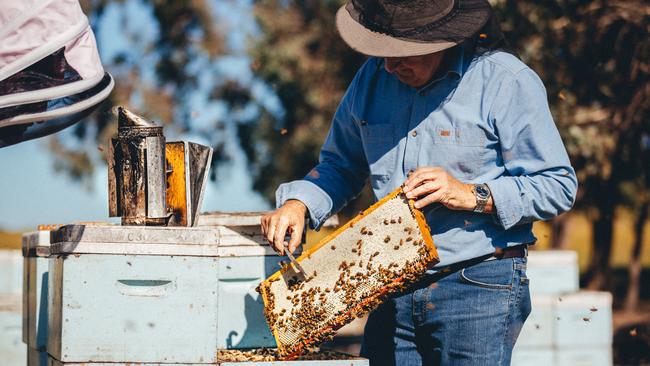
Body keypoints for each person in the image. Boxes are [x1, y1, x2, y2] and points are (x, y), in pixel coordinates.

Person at [261, 0, 577, 364]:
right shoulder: (371, 79)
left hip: (477, 283)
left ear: (443, 41)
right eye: (383, 52)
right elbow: (340, 165)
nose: (390, 65)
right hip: (390, 282)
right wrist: (298, 203)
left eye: (404, 54)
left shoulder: (506, 81)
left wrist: (470, 194)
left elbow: (557, 185)